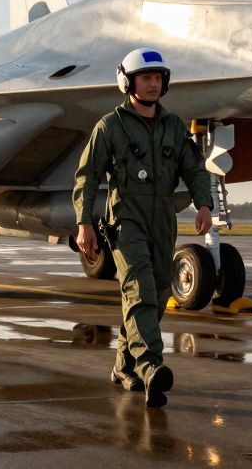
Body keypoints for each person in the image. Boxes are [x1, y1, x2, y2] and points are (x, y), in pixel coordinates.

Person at [72, 48, 214, 408]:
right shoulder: (109, 127)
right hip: (126, 219)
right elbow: (88, 177)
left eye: (157, 78)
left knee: (160, 290)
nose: (153, 84)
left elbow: (194, 169)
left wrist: (204, 204)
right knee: (139, 290)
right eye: (145, 78)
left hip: (163, 219)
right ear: (128, 82)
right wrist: (84, 223)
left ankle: (123, 366)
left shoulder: (173, 126)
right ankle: (151, 367)